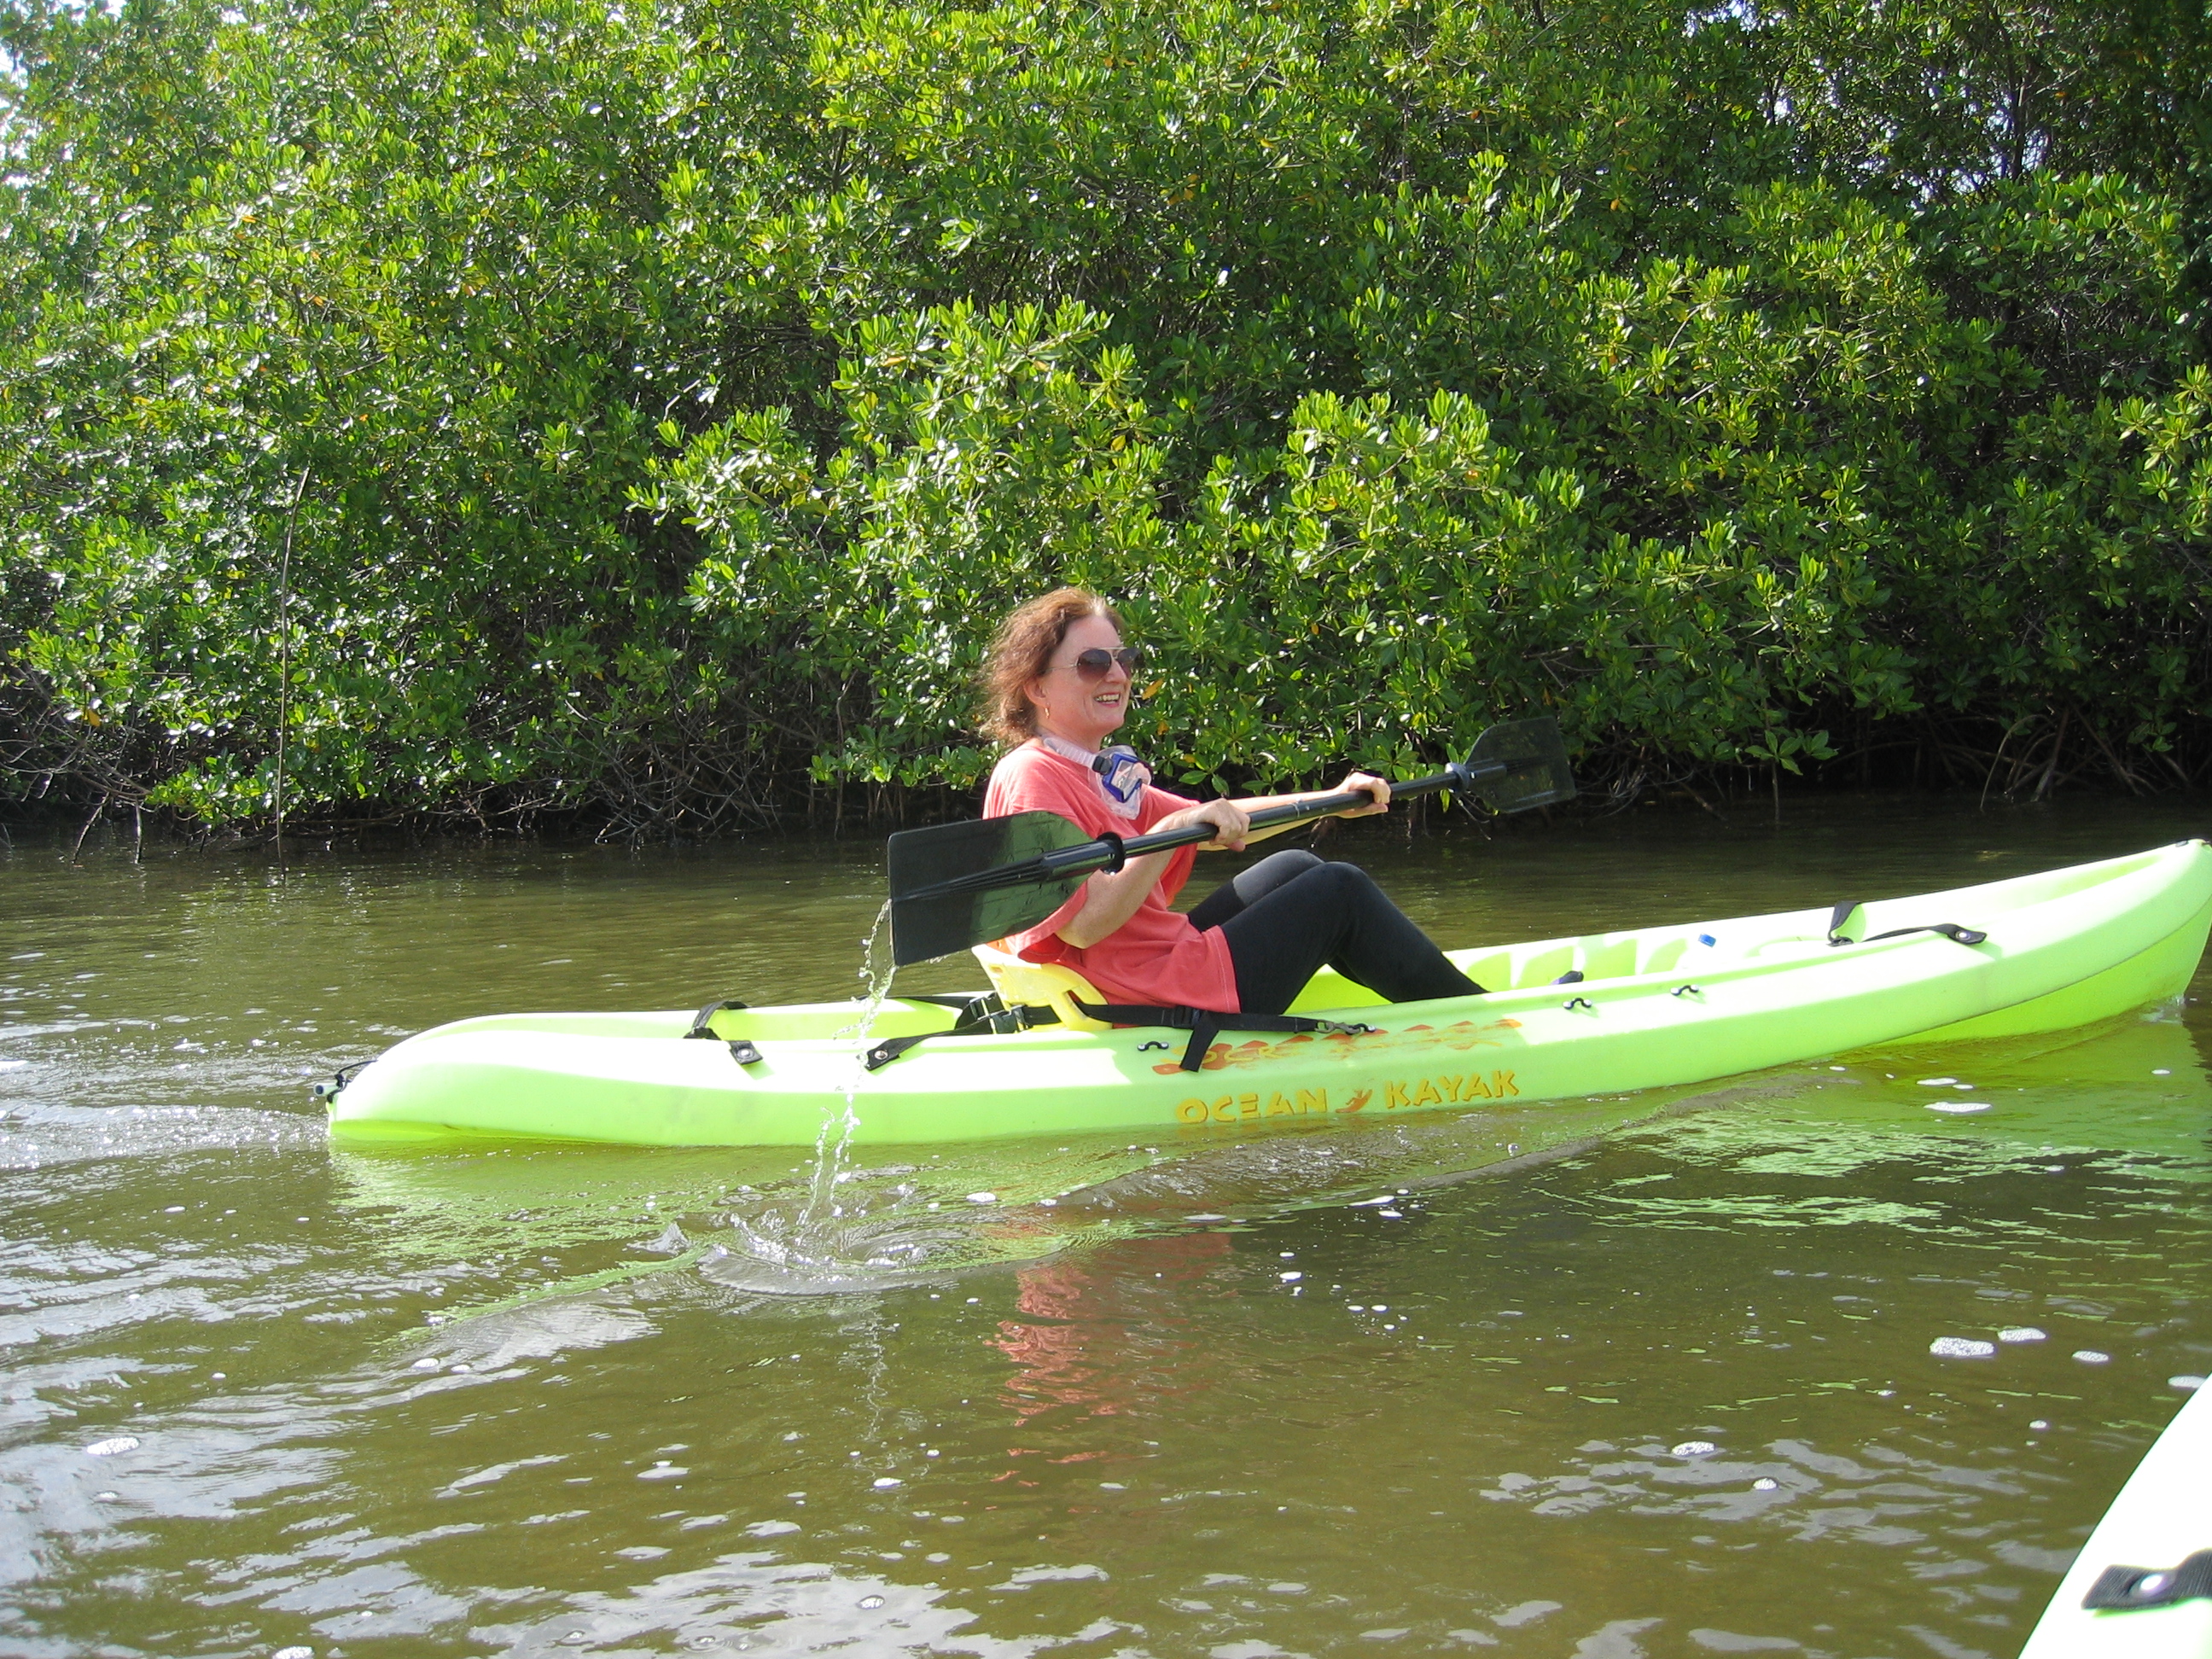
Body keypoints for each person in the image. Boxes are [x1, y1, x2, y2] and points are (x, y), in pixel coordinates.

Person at [980, 587, 1481, 1020]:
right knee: (1337, 889)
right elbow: (1085, 928)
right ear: (1036, 685)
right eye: (1092, 664)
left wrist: (1331, 801)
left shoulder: (1095, 772)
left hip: (1138, 970)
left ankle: (1428, 1002)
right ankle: (1479, 1016)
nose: (1116, 675)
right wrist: (1166, 831)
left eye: (1124, 659)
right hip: (1134, 994)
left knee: (1296, 865)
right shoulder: (1032, 776)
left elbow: (1228, 825)